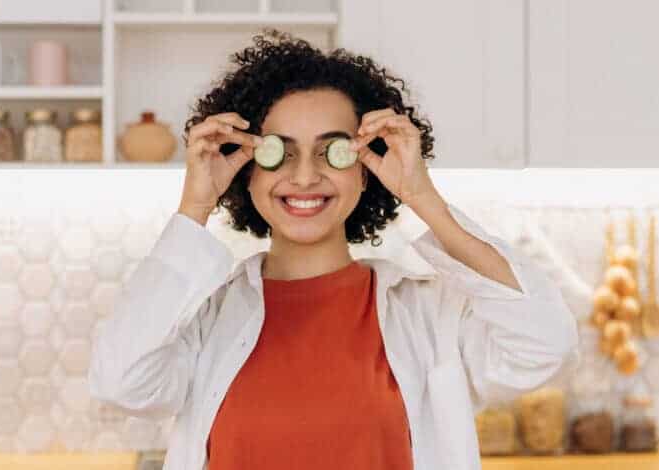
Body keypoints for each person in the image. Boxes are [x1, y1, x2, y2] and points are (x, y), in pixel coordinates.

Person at [88, 29, 579, 470]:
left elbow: (543, 346)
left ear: (365, 168)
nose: (304, 176)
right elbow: (121, 381)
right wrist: (194, 207)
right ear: (248, 167)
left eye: (333, 151)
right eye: (280, 150)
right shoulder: (207, 318)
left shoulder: (428, 314)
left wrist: (423, 197)